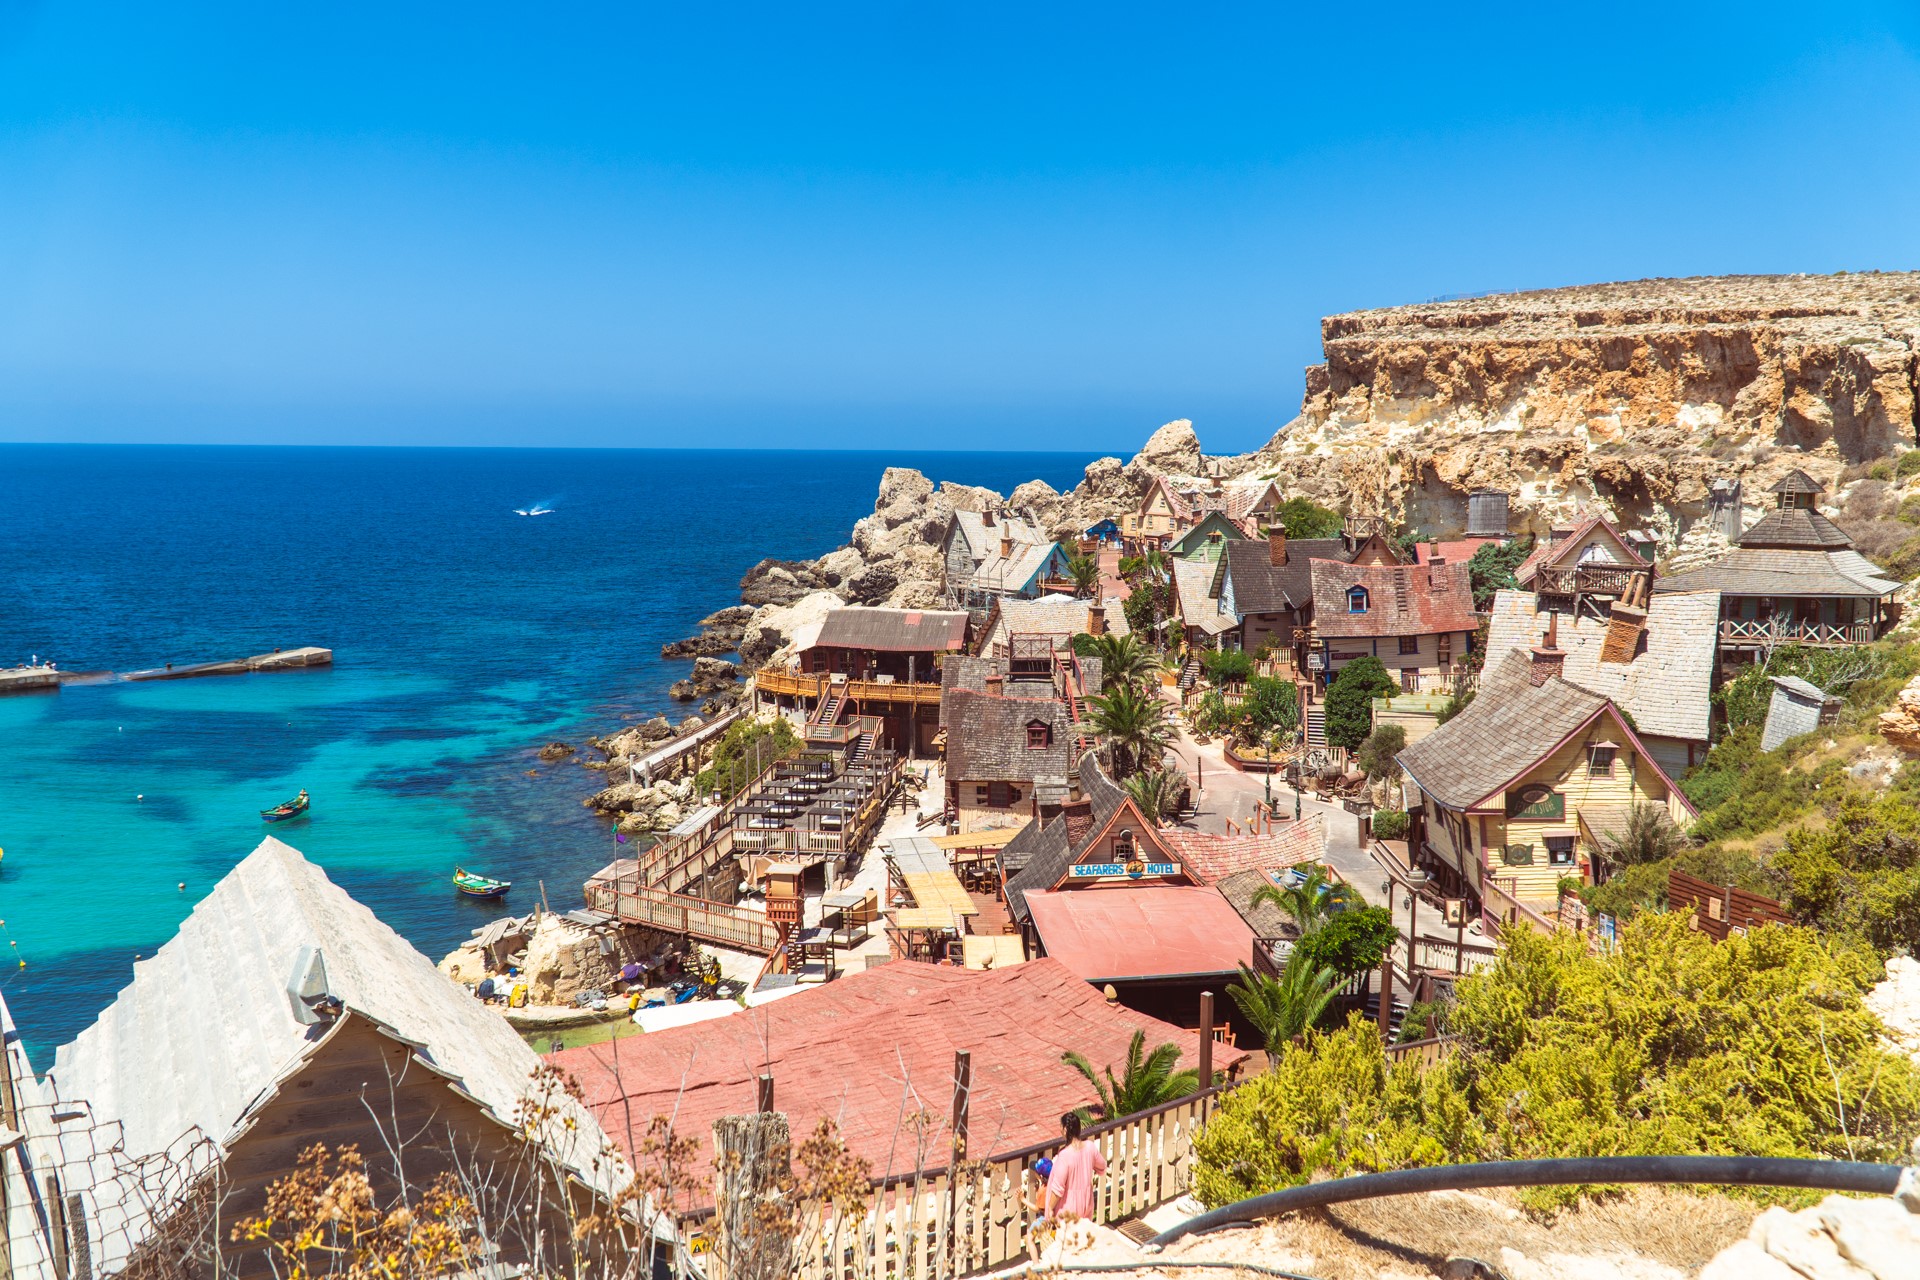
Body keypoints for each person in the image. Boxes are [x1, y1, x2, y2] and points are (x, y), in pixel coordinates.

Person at [1043, 1111, 1106, 1222]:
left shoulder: (1064, 1155)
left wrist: (1050, 1208)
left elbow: (1058, 1189)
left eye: (1061, 1127)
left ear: (1065, 1130)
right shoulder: (1090, 1147)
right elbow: (1102, 1166)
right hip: (1086, 1203)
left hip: (1068, 1210)